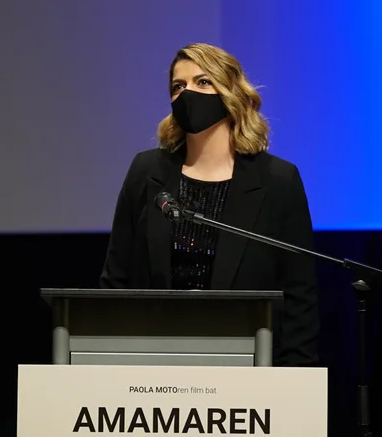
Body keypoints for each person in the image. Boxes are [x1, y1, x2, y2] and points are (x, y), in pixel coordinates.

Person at [100, 43, 320, 366]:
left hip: (247, 371)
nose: (187, 93)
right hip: (153, 367)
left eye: (202, 82)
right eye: (178, 86)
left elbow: (300, 297)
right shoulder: (146, 173)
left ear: (230, 93)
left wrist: (292, 381)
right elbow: (115, 280)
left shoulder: (278, 181)